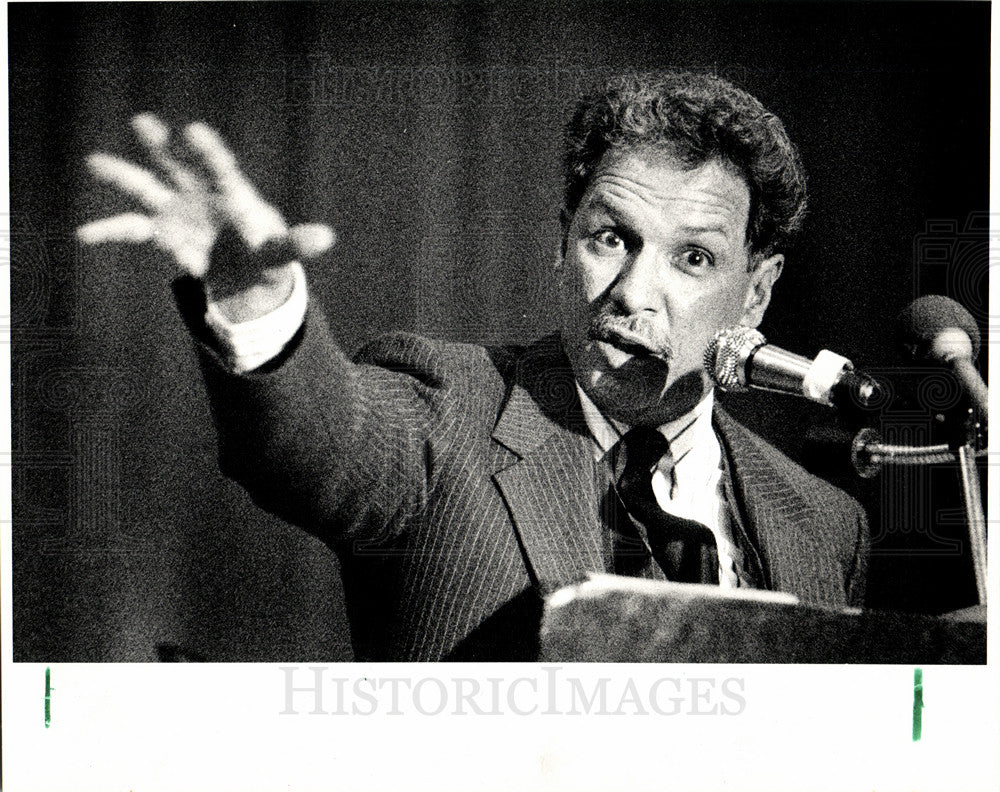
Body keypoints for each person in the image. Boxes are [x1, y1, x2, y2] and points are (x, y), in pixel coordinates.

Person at [78, 71, 869, 661]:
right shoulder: (451, 407)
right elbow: (316, 447)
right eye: (609, 239)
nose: (633, 293)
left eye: (693, 258)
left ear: (755, 291)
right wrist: (256, 305)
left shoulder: (825, 524)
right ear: (561, 244)